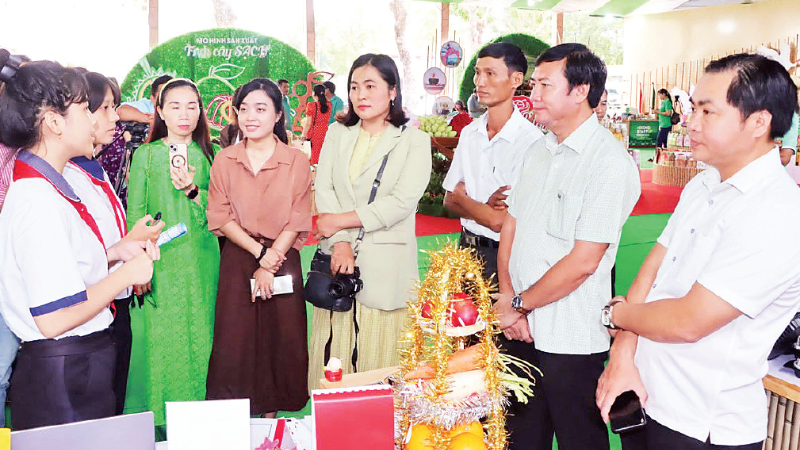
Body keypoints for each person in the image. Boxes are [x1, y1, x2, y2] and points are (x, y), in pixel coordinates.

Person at [596, 53, 800, 450]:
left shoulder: (778, 212)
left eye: (708, 111)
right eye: (693, 108)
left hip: (701, 425)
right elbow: (653, 269)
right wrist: (623, 352)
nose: (691, 122)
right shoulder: (702, 185)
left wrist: (616, 314)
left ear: (759, 122)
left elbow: (689, 321)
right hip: (643, 395)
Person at [492, 43, 641, 450]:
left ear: (580, 91)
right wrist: (509, 299)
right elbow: (511, 227)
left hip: (572, 337)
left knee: (579, 439)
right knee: (520, 437)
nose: (533, 94)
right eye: (534, 84)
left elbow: (583, 262)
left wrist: (519, 303)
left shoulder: (609, 162)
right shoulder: (536, 150)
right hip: (519, 328)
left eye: (544, 85)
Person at [0, 60, 159, 430]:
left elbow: (60, 272)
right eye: (85, 109)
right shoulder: (38, 199)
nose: (95, 121)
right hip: (64, 379)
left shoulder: (51, 187)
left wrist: (114, 254)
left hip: (76, 369)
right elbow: (54, 317)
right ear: (54, 123)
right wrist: (125, 276)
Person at [309, 53, 431, 389]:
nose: (360, 95)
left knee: (383, 371)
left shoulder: (413, 141)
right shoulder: (337, 133)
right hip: (337, 260)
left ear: (392, 90)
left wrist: (338, 222)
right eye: (354, 87)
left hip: (387, 266)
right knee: (335, 357)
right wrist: (341, 242)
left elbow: (402, 202)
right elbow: (325, 186)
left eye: (370, 86)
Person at [206, 78, 312, 417]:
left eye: (261, 108)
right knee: (234, 338)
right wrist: (259, 255)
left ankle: (272, 414)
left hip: (283, 258)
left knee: (282, 337)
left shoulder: (295, 160)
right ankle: (235, 416)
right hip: (239, 257)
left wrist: (270, 262)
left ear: (278, 114)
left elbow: (298, 215)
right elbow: (220, 216)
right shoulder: (224, 160)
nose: (251, 116)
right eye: (244, 108)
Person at [62, 71, 165, 416]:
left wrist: (130, 247)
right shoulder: (61, 177)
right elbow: (74, 261)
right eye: (105, 108)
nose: (115, 116)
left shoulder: (95, 167)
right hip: (84, 314)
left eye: (114, 106)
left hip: (111, 302)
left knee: (111, 403)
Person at [125, 78, 220, 428]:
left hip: (203, 262)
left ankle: (201, 422)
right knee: (164, 345)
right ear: (160, 111)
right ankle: (164, 423)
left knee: (203, 338)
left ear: (200, 111)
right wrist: (139, 267)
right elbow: (137, 214)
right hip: (161, 264)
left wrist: (193, 189)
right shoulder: (145, 156)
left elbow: (222, 215)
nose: (184, 114)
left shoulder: (211, 155)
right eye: (175, 106)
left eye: (192, 106)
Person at [301, 84, 332, 165]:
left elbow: (308, 123)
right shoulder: (329, 104)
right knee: (324, 156)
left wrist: (303, 134)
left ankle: (315, 176)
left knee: (315, 158)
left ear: (314, 93)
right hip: (326, 132)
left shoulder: (311, 105)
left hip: (315, 134)